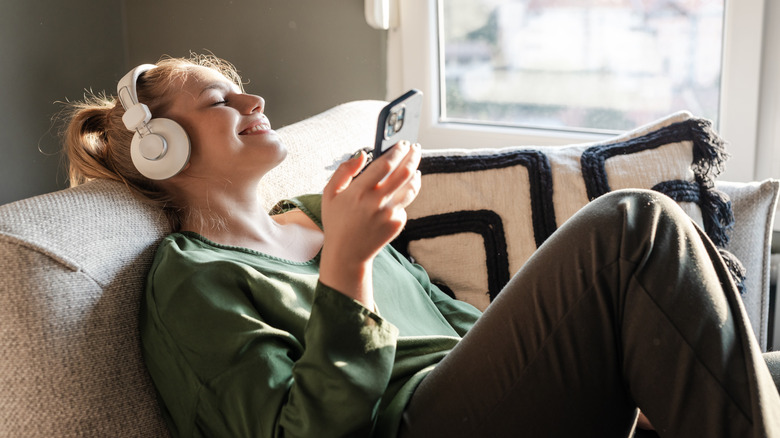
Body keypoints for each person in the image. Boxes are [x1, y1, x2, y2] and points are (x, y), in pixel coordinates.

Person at [62, 53, 780, 438]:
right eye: (220, 100)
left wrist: (626, 368)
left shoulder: (319, 211)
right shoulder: (190, 282)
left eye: (244, 91)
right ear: (162, 148)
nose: (254, 102)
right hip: (416, 424)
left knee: (758, 365)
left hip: (487, 401)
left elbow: (458, 325)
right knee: (635, 227)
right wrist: (349, 265)